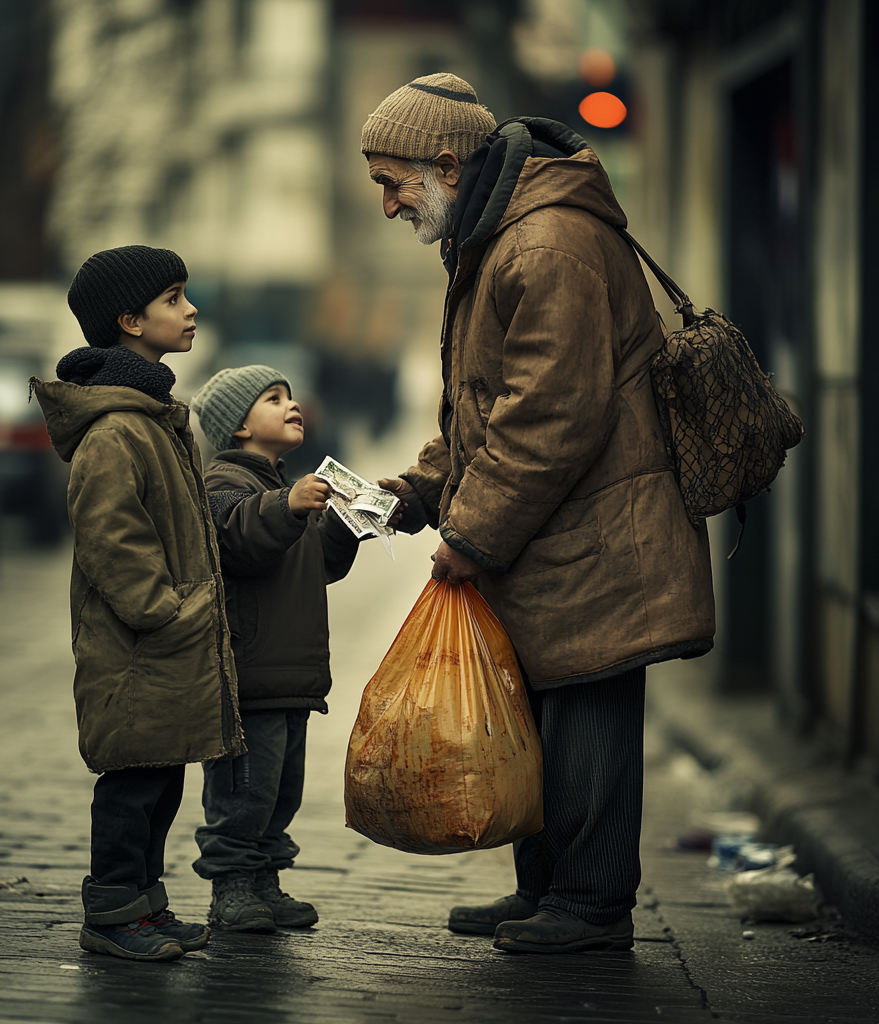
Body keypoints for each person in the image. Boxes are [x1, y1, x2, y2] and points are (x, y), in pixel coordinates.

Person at [362, 73, 716, 954]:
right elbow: (485, 406)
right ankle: (548, 889)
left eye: (391, 182)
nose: (388, 205)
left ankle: (592, 904)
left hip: (599, 533)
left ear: (446, 164)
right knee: (541, 709)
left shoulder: (545, 245)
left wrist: (473, 532)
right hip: (560, 532)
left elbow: (551, 415)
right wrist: (420, 489)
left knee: (587, 705)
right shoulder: (495, 241)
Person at [31, 245, 244, 962]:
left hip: (165, 648)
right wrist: (165, 610)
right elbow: (111, 539)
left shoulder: (153, 414)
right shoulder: (118, 427)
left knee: (160, 782)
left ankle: (145, 907)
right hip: (138, 647)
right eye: (174, 298)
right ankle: (112, 912)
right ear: (129, 320)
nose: (190, 312)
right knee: (130, 787)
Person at [188, 366, 362, 933]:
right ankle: (232, 887)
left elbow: (320, 564)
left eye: (290, 397)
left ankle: (265, 880)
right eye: (274, 398)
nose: (292, 405)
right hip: (249, 674)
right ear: (238, 427)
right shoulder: (222, 485)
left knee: (279, 794)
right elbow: (239, 540)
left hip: (293, 678)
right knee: (244, 792)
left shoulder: (283, 488)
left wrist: (347, 523)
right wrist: (290, 506)